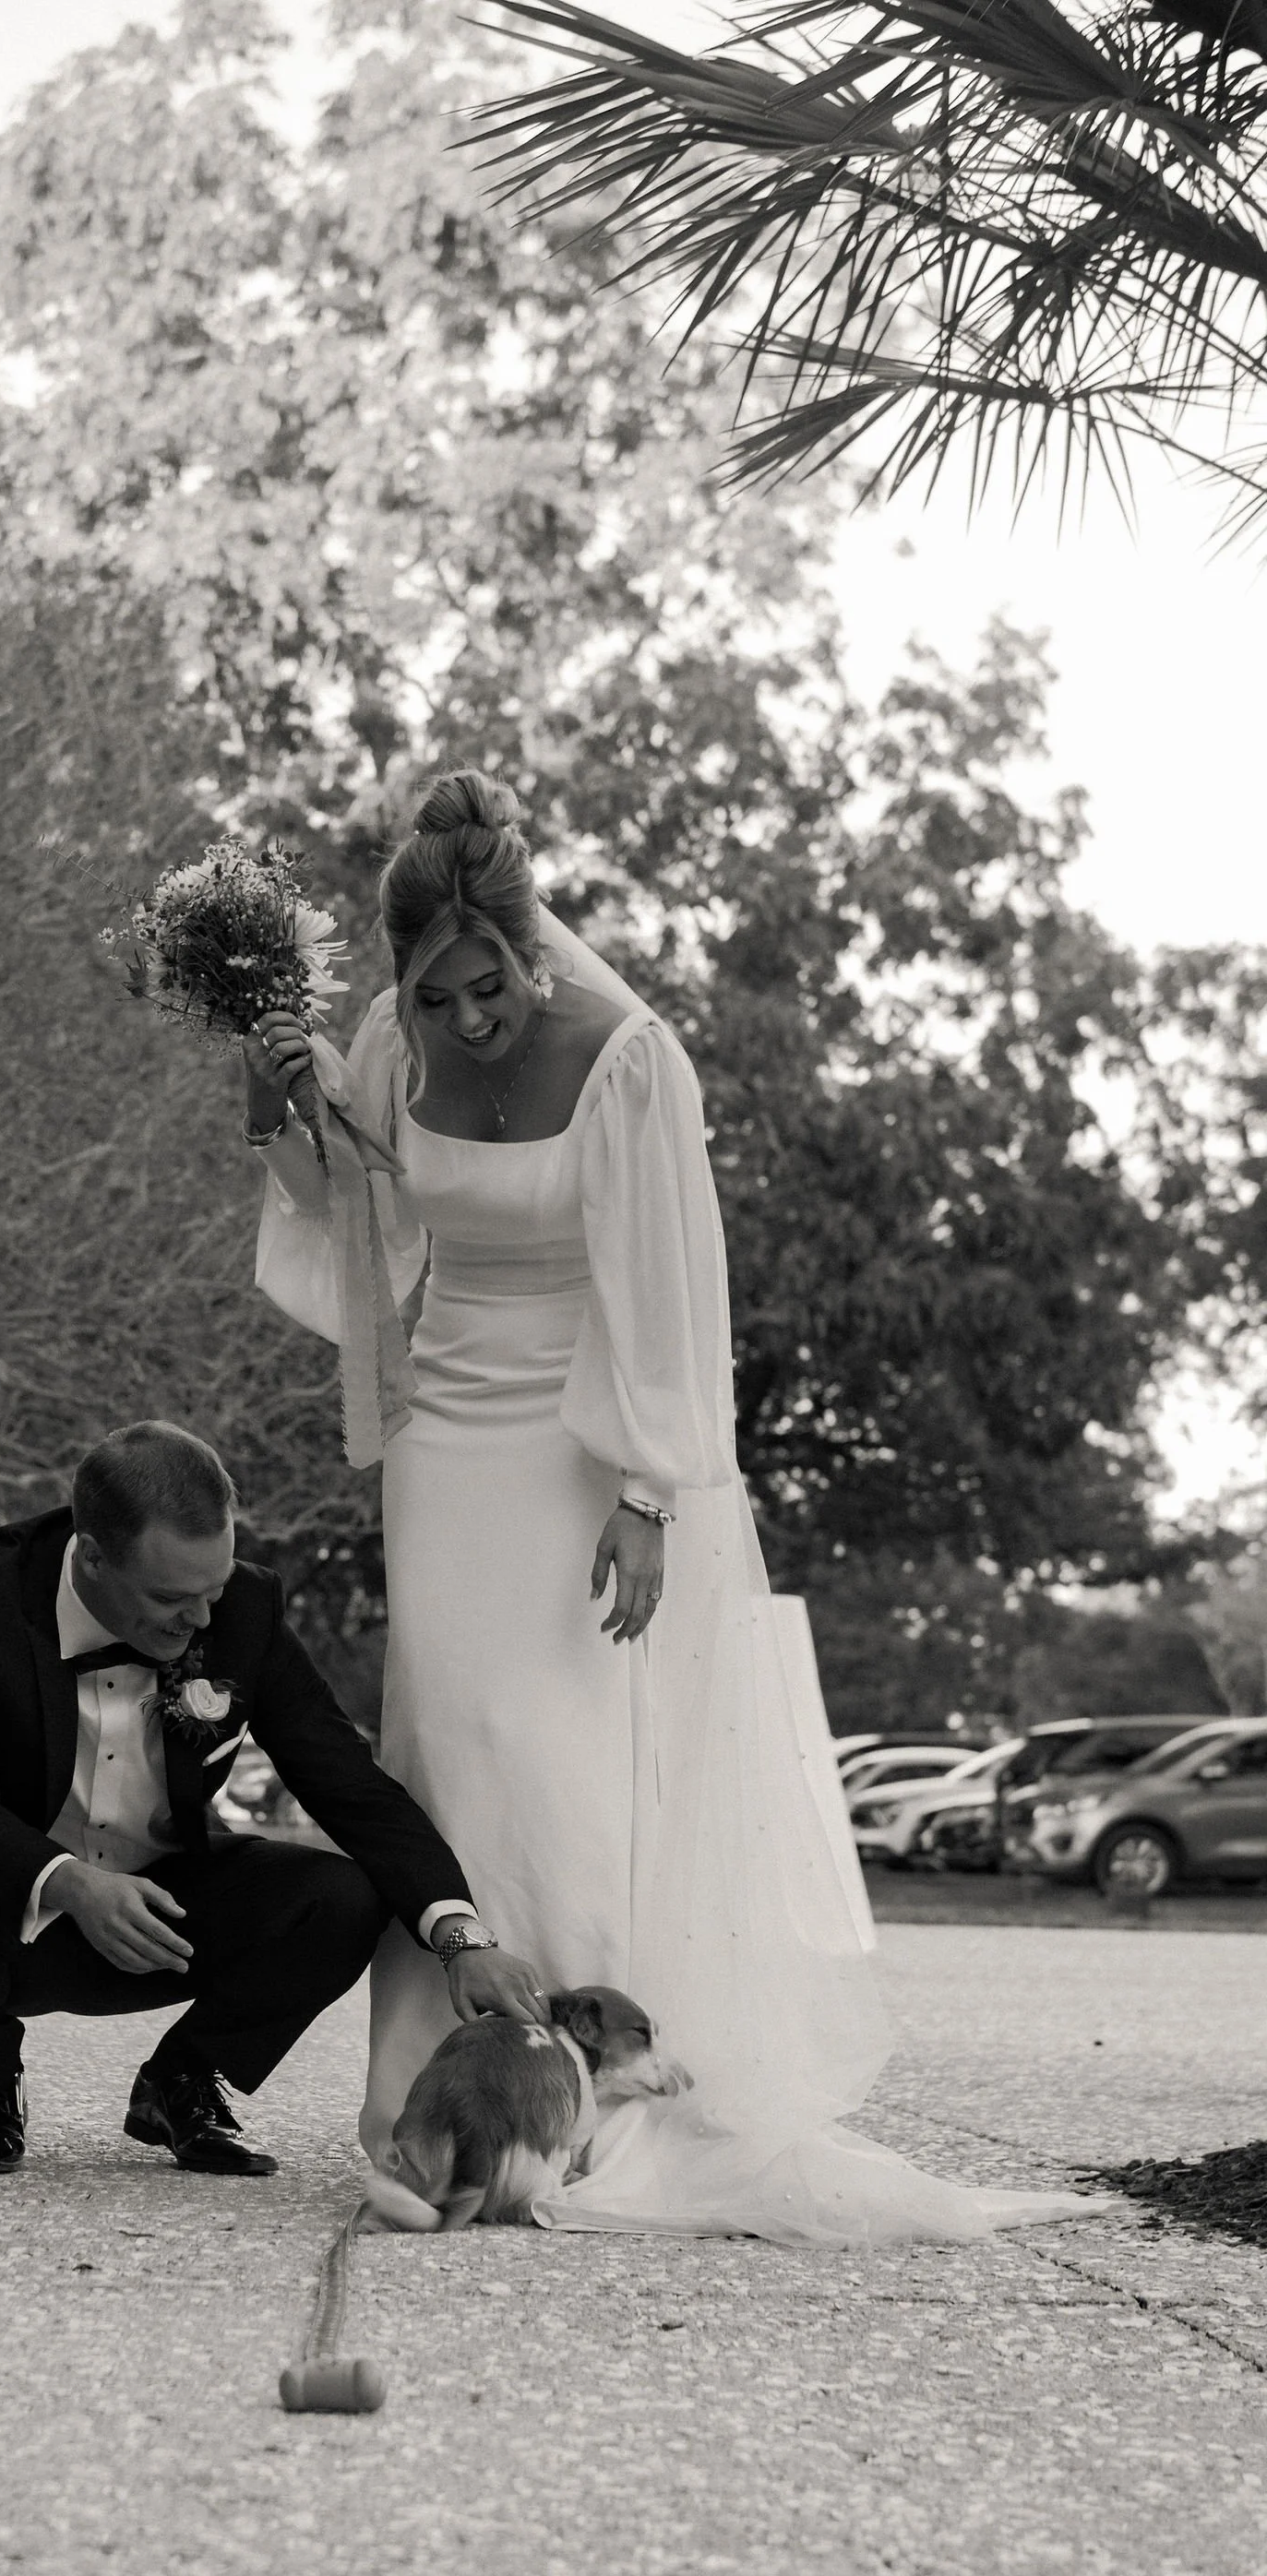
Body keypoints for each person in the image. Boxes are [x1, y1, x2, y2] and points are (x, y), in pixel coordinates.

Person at [244, 770, 1103, 2242]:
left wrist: (648, 1493)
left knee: (564, 1750)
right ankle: (437, 2105)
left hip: (589, 1432)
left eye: (488, 988)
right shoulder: (388, 1043)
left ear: (532, 948)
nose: (466, 1023)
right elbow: (358, 1209)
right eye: (436, 998)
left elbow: (670, 1290)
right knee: (451, 1740)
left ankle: (584, 2099)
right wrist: (276, 1110)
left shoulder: (634, 1061)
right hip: (446, 1428)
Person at [0, 1419, 544, 2176]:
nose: (202, 1621)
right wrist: (74, 1885)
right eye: (171, 1598)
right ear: (90, 1557)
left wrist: (462, 1938)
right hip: (4, 1910)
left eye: (213, 1590)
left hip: (167, 1917)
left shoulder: (243, 1609)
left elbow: (348, 1786)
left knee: (341, 1897)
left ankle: (181, 2080)